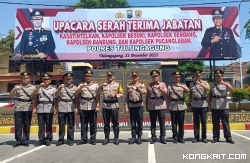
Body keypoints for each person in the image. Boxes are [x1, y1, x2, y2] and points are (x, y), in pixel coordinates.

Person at [8, 72, 36, 147]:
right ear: (21, 79)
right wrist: (14, 90)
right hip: (19, 107)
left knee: (27, 124)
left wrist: (34, 108)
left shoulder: (33, 88)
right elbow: (10, 96)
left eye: (26, 78)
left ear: (29, 79)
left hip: (28, 107)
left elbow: (35, 98)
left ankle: (25, 140)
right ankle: (18, 140)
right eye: (23, 78)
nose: (25, 79)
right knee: (18, 125)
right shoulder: (17, 87)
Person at [208, 70, 235, 144]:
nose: (218, 77)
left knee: (225, 122)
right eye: (217, 76)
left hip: (224, 106)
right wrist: (209, 103)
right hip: (215, 106)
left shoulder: (227, 84)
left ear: (222, 76)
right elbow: (210, 94)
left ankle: (228, 137)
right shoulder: (213, 84)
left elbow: (232, 90)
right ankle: (216, 137)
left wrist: (225, 84)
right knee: (215, 123)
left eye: (219, 76)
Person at [75, 70, 100, 145]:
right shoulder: (81, 85)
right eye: (86, 76)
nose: (88, 77)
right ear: (84, 77)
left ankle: (93, 139)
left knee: (93, 123)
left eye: (89, 76)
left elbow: (98, 96)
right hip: (83, 106)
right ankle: (84, 139)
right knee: (83, 123)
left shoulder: (96, 85)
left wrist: (97, 106)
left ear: (92, 77)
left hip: (92, 105)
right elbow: (76, 93)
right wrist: (82, 86)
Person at [98, 71, 124, 145]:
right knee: (106, 123)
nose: (109, 77)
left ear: (113, 77)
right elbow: (97, 92)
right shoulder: (104, 85)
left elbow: (122, 94)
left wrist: (115, 95)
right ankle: (107, 138)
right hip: (105, 105)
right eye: (108, 76)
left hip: (114, 105)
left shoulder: (118, 85)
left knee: (115, 122)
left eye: (111, 76)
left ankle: (116, 137)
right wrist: (101, 86)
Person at [33, 73, 57, 146]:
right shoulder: (39, 88)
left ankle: (48, 138)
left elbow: (55, 100)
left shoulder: (53, 89)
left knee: (49, 124)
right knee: (41, 125)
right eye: (44, 79)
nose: (46, 80)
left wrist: (55, 108)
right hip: (40, 108)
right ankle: (41, 139)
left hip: (49, 108)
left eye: (47, 79)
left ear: (50, 80)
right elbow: (34, 95)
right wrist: (35, 108)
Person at [55, 73, 78, 146]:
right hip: (62, 107)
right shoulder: (60, 87)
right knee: (61, 124)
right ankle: (61, 139)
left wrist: (76, 107)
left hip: (71, 107)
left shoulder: (75, 87)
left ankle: (70, 139)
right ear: (64, 79)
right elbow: (55, 95)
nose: (68, 80)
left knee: (71, 124)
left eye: (70, 79)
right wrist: (59, 88)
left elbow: (76, 98)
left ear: (72, 79)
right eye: (67, 79)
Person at [145, 70, 168, 144]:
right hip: (152, 105)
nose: (155, 78)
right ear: (151, 77)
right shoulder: (149, 85)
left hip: (161, 105)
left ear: (158, 77)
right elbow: (147, 96)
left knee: (162, 122)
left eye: (156, 76)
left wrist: (159, 88)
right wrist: (147, 105)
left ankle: (162, 136)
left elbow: (166, 92)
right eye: (153, 76)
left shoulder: (162, 84)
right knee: (153, 122)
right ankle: (153, 136)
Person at [167, 71, 189, 144]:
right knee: (174, 123)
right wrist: (167, 106)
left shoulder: (183, 85)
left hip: (181, 106)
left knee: (181, 123)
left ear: (180, 78)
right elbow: (168, 97)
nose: (177, 78)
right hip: (173, 105)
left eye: (178, 77)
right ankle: (175, 137)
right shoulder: (170, 86)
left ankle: (181, 137)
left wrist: (181, 86)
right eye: (175, 77)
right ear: (173, 78)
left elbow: (188, 90)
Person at [125, 72, 147, 145]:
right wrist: (126, 107)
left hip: (139, 105)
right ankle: (133, 136)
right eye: (133, 77)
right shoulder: (128, 86)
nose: (134, 78)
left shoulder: (141, 85)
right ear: (131, 78)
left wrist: (137, 88)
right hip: (131, 106)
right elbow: (126, 97)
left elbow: (145, 92)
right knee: (133, 122)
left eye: (135, 77)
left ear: (138, 77)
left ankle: (139, 136)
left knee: (139, 122)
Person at [189, 69, 210, 143]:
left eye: (198, 75)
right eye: (195, 75)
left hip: (203, 104)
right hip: (195, 104)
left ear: (201, 76)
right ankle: (196, 137)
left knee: (203, 122)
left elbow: (208, 89)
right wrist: (190, 104)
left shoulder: (205, 82)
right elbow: (190, 95)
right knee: (196, 122)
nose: (197, 76)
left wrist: (200, 84)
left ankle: (204, 137)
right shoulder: (191, 84)